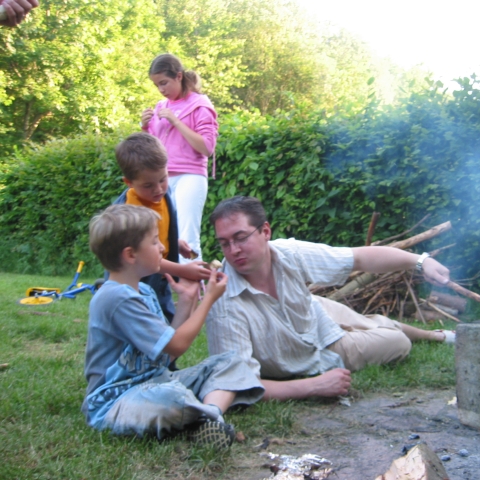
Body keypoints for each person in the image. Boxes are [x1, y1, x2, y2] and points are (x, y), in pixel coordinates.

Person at [205, 196, 455, 401]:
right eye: (224, 243)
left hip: (314, 310)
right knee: (398, 342)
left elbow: (358, 258)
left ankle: (435, 336)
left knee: (363, 319)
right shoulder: (222, 302)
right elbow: (241, 383)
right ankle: (409, 333)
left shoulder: (289, 253)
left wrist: (421, 261)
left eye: (241, 238)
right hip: (319, 349)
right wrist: (313, 386)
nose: (233, 250)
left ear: (265, 231)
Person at [82, 204, 264, 446]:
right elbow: (177, 345)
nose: (162, 247)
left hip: (157, 381)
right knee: (172, 397)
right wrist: (208, 299)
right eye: (154, 241)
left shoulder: (143, 291)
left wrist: (187, 301)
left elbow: (165, 353)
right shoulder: (115, 298)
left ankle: (208, 418)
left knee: (231, 362)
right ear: (130, 255)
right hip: (115, 402)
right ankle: (207, 412)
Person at [113, 132, 211, 325]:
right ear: (129, 182)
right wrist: (183, 270)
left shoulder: (163, 196)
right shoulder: (131, 212)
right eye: (148, 185)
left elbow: (158, 232)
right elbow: (142, 257)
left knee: (165, 320)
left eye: (163, 179)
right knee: (143, 325)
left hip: (160, 278)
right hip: (135, 283)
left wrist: (174, 243)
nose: (158, 189)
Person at [141, 53, 218, 264]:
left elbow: (207, 147)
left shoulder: (200, 104)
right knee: (159, 234)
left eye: (164, 83)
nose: (161, 89)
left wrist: (176, 121)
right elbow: (153, 148)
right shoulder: (161, 107)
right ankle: (164, 282)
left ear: (179, 76)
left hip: (190, 176)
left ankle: (194, 283)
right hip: (163, 178)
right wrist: (145, 127)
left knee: (187, 237)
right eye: (157, 85)